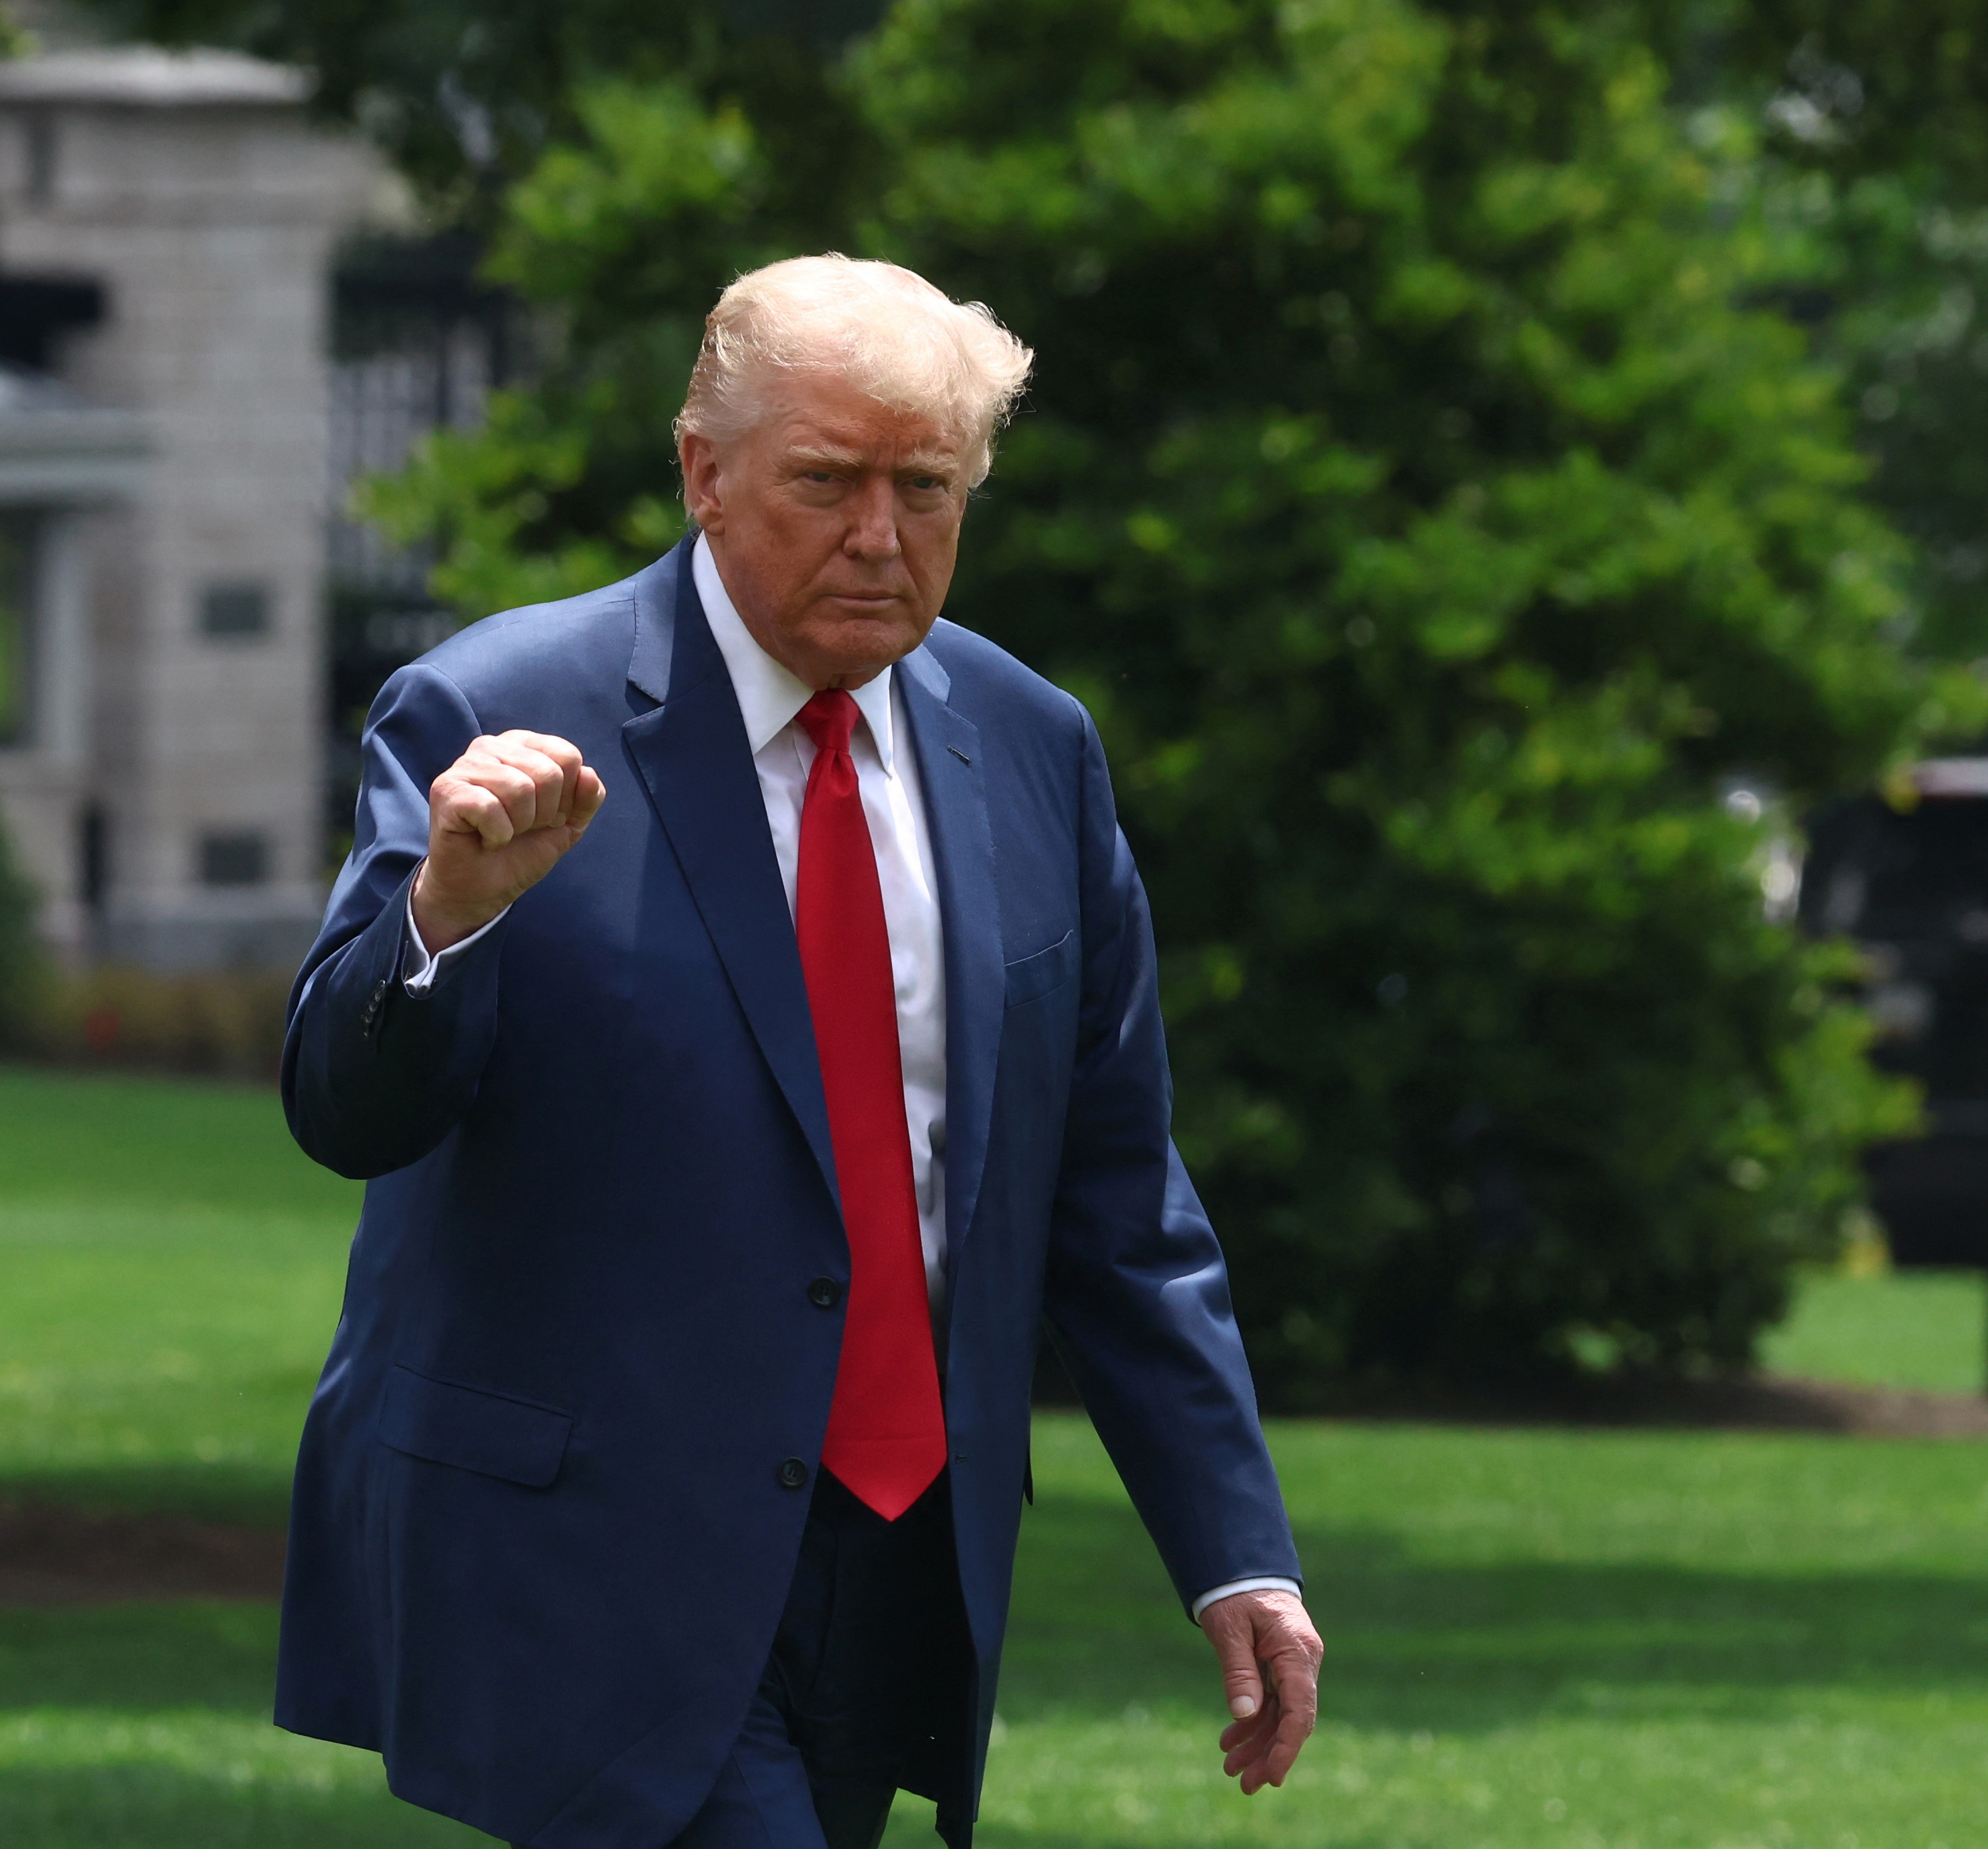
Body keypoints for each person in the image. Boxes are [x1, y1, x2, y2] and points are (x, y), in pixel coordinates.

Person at [277, 254, 1320, 1849]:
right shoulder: (493, 708)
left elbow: (1116, 1199)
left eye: (927, 487)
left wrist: (1233, 1548)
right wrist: (446, 912)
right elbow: (346, 1108)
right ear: (703, 472)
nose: (880, 537)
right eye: (826, 483)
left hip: (896, 1547)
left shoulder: (1031, 746)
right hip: (594, 1548)